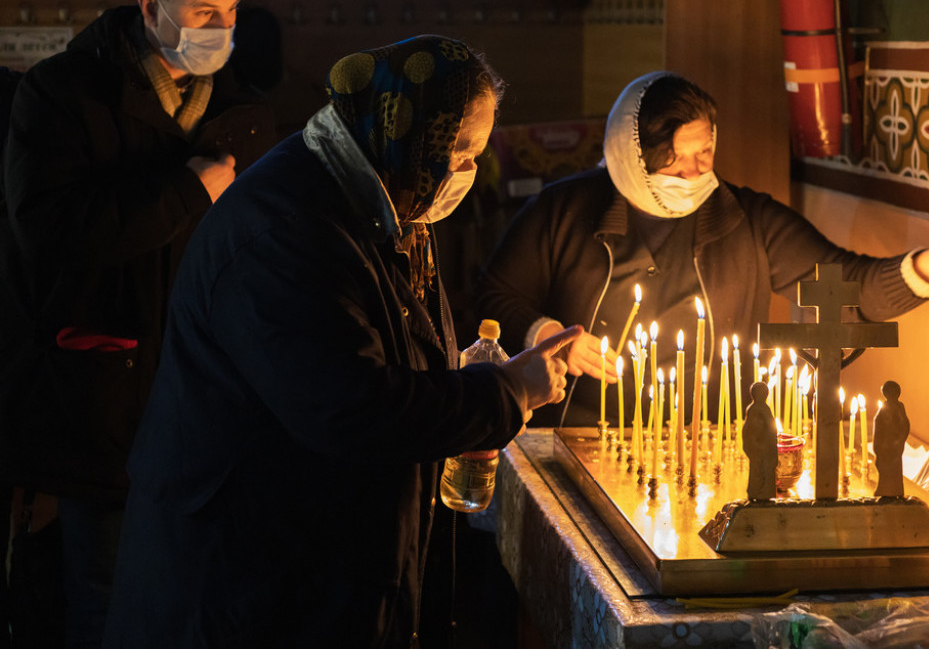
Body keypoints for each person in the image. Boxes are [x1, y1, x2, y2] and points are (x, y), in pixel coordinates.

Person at [102, 35, 579, 647]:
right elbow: (348, 405)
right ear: (407, 131)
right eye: (459, 151)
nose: (467, 172)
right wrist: (503, 392)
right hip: (239, 579)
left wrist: (461, 392)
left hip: (312, 557)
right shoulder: (285, 230)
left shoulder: (387, 194)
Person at [0, 0, 276, 644]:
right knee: (107, 594)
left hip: (209, 395)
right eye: (206, 13)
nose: (224, 29)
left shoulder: (241, 107)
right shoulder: (63, 94)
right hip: (102, 395)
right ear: (150, 8)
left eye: (233, 11)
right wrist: (184, 192)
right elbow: (52, 231)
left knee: (198, 596)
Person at [475, 71, 929, 428]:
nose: (699, 173)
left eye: (706, 152)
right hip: (574, 436)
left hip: (705, 441)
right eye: (678, 163)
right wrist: (544, 332)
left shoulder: (747, 220)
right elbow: (491, 297)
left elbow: (845, 284)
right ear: (630, 159)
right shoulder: (561, 212)